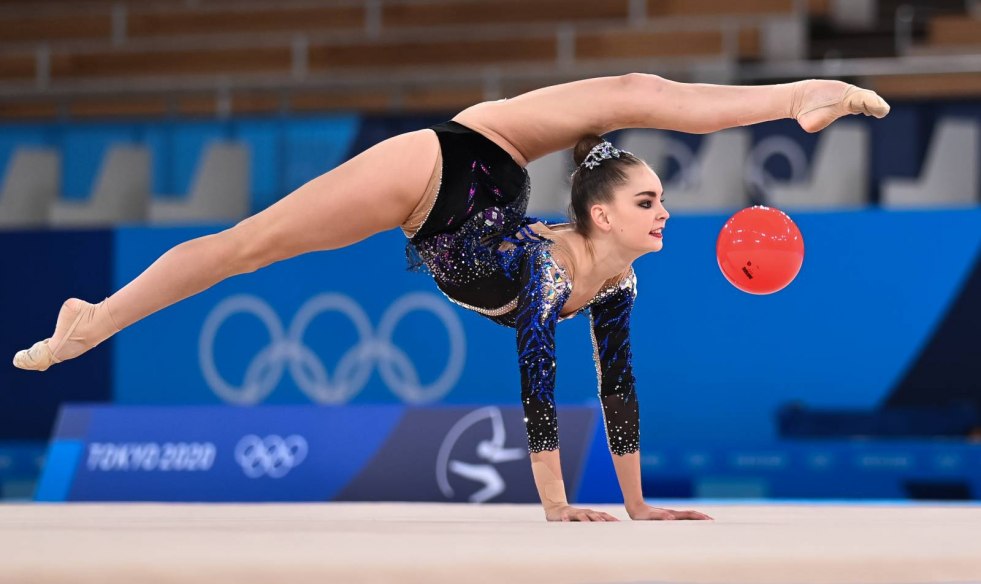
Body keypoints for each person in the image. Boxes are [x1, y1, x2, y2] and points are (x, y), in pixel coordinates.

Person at [13, 74, 890, 521]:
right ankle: (94, 320)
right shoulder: (554, 273)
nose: (665, 213)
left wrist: (636, 504)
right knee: (248, 246)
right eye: (648, 201)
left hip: (489, 187)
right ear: (598, 212)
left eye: (658, 201)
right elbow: (538, 384)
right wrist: (554, 504)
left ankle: (796, 97)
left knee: (640, 97)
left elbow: (616, 389)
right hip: (441, 172)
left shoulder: (614, 278)